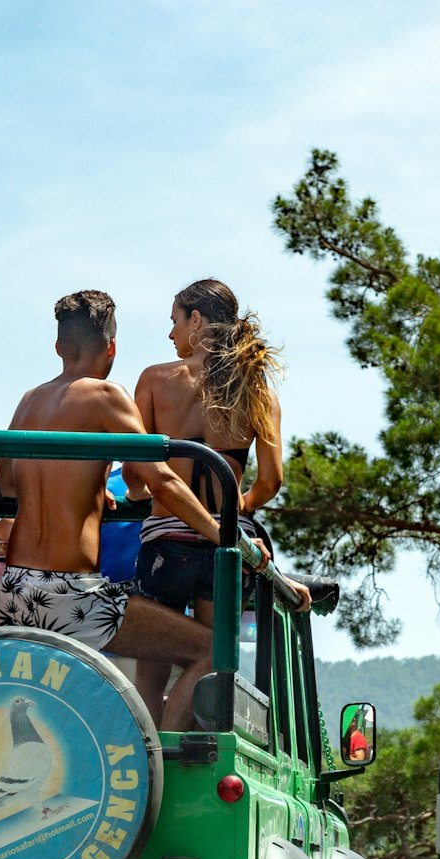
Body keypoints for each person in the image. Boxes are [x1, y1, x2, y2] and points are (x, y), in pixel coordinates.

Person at [0, 290, 301, 732]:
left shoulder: (28, 402)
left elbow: (5, 484)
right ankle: (159, 752)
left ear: (59, 347)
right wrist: (224, 532)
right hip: (70, 596)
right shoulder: (108, 397)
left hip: (14, 587)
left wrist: (89, 491)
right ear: (112, 348)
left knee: (150, 653)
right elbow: (161, 480)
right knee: (215, 649)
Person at [129, 279, 284, 728]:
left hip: (167, 539)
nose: (171, 334)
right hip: (227, 547)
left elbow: (138, 473)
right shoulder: (257, 389)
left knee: (152, 662)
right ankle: (179, 747)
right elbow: (272, 480)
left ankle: (148, 752)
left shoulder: (156, 380)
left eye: (175, 321)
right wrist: (240, 507)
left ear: (196, 320)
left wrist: (139, 496)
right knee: (214, 658)